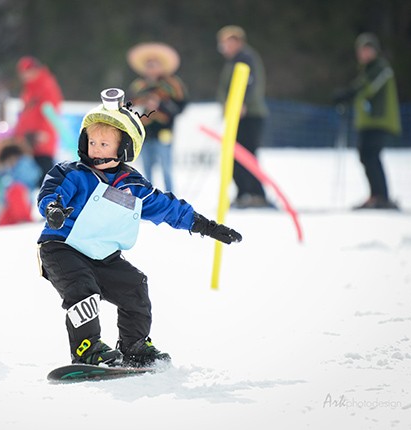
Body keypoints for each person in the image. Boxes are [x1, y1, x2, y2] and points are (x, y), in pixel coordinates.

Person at [37, 88, 242, 367]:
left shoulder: (133, 187)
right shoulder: (72, 173)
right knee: (82, 289)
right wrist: (53, 210)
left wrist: (206, 226)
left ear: (124, 149)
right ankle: (87, 349)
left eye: (104, 144)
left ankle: (134, 345)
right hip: (62, 248)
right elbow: (51, 193)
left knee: (134, 285)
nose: (95, 149)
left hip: (101, 254)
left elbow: (168, 208)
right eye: (92, 142)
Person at [333, 33, 401, 210]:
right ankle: (375, 194)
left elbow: (369, 87)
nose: (365, 54)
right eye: (362, 50)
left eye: (368, 50)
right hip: (368, 122)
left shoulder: (380, 68)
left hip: (379, 120)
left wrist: (349, 94)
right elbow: (361, 89)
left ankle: (381, 196)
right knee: (366, 156)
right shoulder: (367, 70)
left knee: (371, 156)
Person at [216, 25, 273, 209]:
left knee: (247, 156)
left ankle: (256, 194)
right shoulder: (233, 61)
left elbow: (250, 84)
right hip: (236, 116)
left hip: (250, 115)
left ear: (238, 42)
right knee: (236, 156)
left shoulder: (246, 58)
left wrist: (242, 104)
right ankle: (243, 193)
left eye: (228, 43)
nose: (225, 47)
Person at [127, 42, 187, 193]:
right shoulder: (138, 86)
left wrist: (160, 104)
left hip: (164, 131)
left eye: (155, 65)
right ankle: (149, 196)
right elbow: (128, 105)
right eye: (149, 65)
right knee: (146, 169)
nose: (151, 68)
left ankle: (169, 196)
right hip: (144, 133)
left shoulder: (172, 85)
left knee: (166, 167)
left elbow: (180, 106)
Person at [13, 56, 64, 186]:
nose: (25, 75)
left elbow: (51, 113)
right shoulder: (29, 88)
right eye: (22, 73)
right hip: (28, 142)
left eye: (27, 71)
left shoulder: (46, 85)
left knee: (45, 179)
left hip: (41, 142)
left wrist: (43, 133)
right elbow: (25, 114)